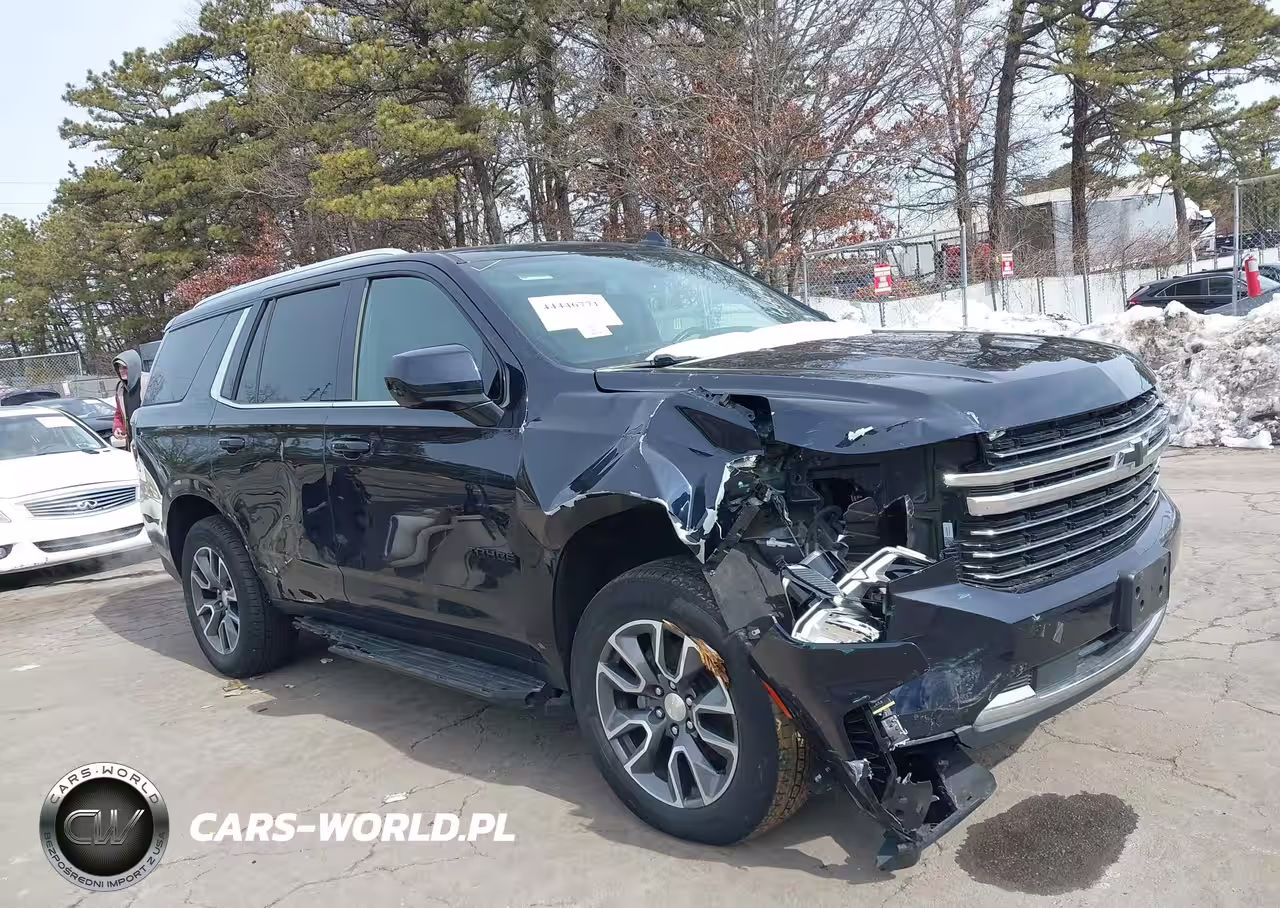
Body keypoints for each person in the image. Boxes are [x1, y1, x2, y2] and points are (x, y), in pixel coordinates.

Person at [112, 349, 143, 451]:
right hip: (132, 443)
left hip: (150, 441)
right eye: (119, 367)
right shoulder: (120, 388)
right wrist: (118, 428)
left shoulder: (149, 383)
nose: (121, 370)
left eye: (124, 367)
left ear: (133, 367)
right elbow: (119, 415)